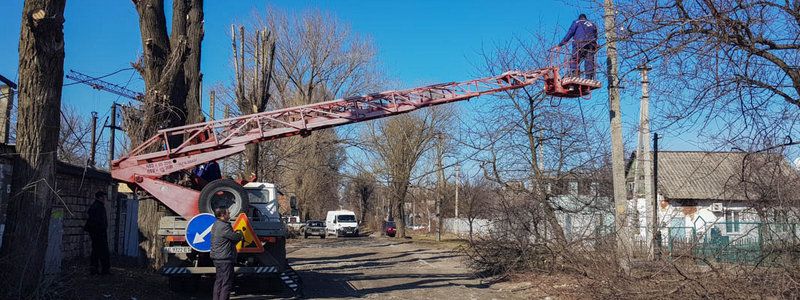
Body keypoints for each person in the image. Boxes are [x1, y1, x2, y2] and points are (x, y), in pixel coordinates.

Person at [210, 207, 243, 300]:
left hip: (217, 257)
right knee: (226, 283)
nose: (230, 214)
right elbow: (235, 238)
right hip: (225, 258)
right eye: (228, 213)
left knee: (219, 281)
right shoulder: (224, 226)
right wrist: (239, 233)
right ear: (223, 215)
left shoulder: (216, 224)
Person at [556, 13, 598, 79]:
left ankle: (574, 74)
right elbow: (595, 36)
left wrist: (561, 44)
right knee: (589, 60)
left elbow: (570, 33)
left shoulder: (577, 22)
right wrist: (595, 44)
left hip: (579, 43)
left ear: (579, 18)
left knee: (574, 59)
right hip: (591, 44)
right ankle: (589, 76)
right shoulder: (592, 24)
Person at [84, 190, 110, 275]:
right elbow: (96, 221)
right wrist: (100, 230)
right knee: (101, 251)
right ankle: (102, 270)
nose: (105, 199)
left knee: (97, 251)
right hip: (98, 233)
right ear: (99, 198)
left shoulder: (98, 206)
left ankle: (96, 269)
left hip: (97, 232)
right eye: (103, 197)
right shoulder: (97, 207)